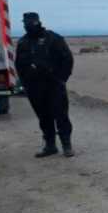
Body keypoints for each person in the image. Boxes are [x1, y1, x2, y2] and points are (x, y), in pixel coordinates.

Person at [15, 12, 74, 157]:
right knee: (44, 117)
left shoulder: (53, 38)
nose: (27, 26)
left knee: (61, 116)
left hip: (54, 85)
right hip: (34, 88)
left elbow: (67, 59)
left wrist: (61, 79)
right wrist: (25, 83)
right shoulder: (23, 42)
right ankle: (50, 146)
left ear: (37, 22)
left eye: (30, 23)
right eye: (25, 23)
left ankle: (67, 145)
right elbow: (19, 65)